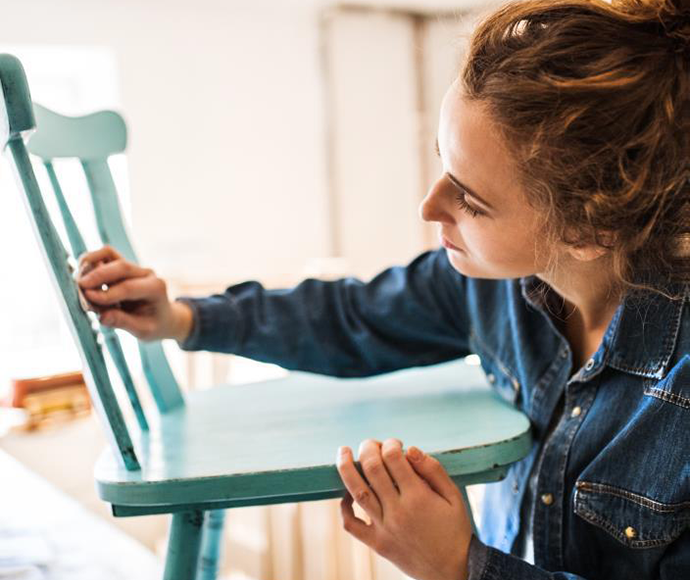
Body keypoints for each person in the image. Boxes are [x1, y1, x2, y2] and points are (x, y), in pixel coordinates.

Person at [77, 0, 690, 578]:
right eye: (443, 165)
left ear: (589, 229)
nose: (429, 206)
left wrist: (460, 566)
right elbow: (352, 317)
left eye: (470, 201)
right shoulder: (493, 288)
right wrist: (182, 317)